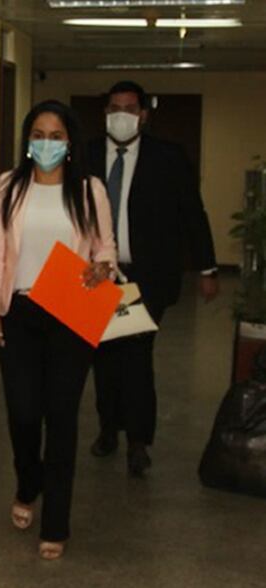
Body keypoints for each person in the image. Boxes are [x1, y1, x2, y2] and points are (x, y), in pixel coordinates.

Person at [0, 100, 117, 560]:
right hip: (19, 310)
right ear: (27, 140)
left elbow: (105, 247)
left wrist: (103, 267)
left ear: (70, 142)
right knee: (22, 412)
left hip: (70, 307)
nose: (46, 143)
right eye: (38, 134)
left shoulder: (89, 189)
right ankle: (28, 481)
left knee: (61, 418)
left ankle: (56, 522)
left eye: (56, 136)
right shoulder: (9, 186)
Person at [88, 81, 219, 477]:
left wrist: (207, 268)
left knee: (136, 356)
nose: (121, 115)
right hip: (96, 275)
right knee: (104, 357)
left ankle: (138, 441)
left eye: (130, 108)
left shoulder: (168, 157)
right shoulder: (86, 155)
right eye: (114, 108)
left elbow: (192, 213)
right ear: (105, 113)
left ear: (143, 115)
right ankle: (108, 428)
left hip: (146, 276)